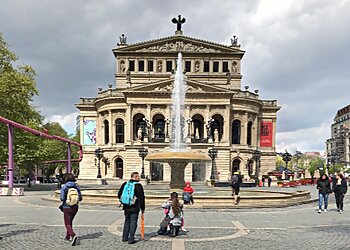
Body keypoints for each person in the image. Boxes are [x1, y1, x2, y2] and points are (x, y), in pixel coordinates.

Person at [118, 172, 145, 244]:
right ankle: (131, 239)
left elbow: (119, 194)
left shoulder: (125, 184)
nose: (139, 178)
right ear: (135, 177)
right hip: (134, 207)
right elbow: (142, 198)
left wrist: (124, 201)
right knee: (133, 222)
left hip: (126, 206)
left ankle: (124, 237)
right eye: (138, 176)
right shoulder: (138, 185)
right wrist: (142, 208)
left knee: (127, 221)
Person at [60, 173, 82, 246]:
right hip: (75, 207)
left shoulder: (64, 186)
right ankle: (67, 236)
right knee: (70, 222)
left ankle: (73, 235)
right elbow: (80, 198)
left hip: (67, 207)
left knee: (67, 223)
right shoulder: (76, 187)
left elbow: (62, 198)